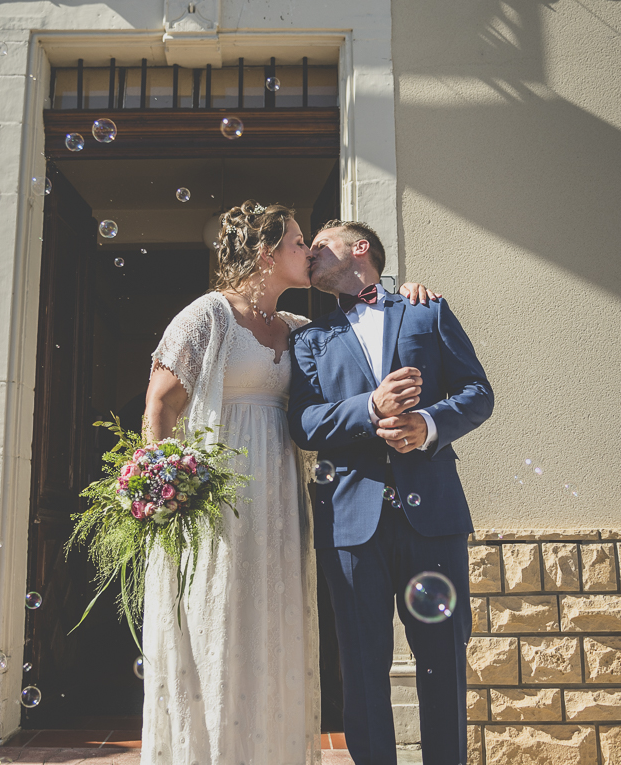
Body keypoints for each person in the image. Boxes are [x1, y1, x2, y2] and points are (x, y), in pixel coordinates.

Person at [143, 201, 437, 765]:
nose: (310, 252)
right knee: (220, 622)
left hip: (281, 497)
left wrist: (408, 292)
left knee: (275, 625)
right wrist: (162, 490)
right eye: (300, 242)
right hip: (219, 498)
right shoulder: (208, 317)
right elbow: (160, 405)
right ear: (265, 252)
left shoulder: (301, 330)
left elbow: (366, 329)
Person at [288, 220, 494, 765]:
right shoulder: (309, 339)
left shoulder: (426, 310)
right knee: (360, 664)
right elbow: (304, 423)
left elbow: (478, 393)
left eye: (319, 245)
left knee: (442, 662)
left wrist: (427, 424)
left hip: (434, 518)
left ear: (360, 250)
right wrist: (370, 408)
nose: (307, 254)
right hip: (351, 522)